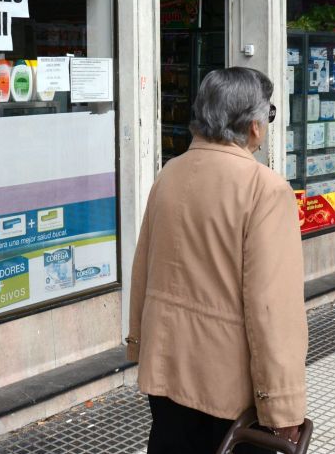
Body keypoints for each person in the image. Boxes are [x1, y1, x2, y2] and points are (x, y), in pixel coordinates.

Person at [126, 67, 308, 454]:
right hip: (228, 387)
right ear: (254, 126)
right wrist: (283, 404)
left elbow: (143, 268)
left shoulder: (170, 173)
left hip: (166, 367)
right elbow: (273, 309)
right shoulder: (265, 189)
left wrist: (138, 344)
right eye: (269, 113)